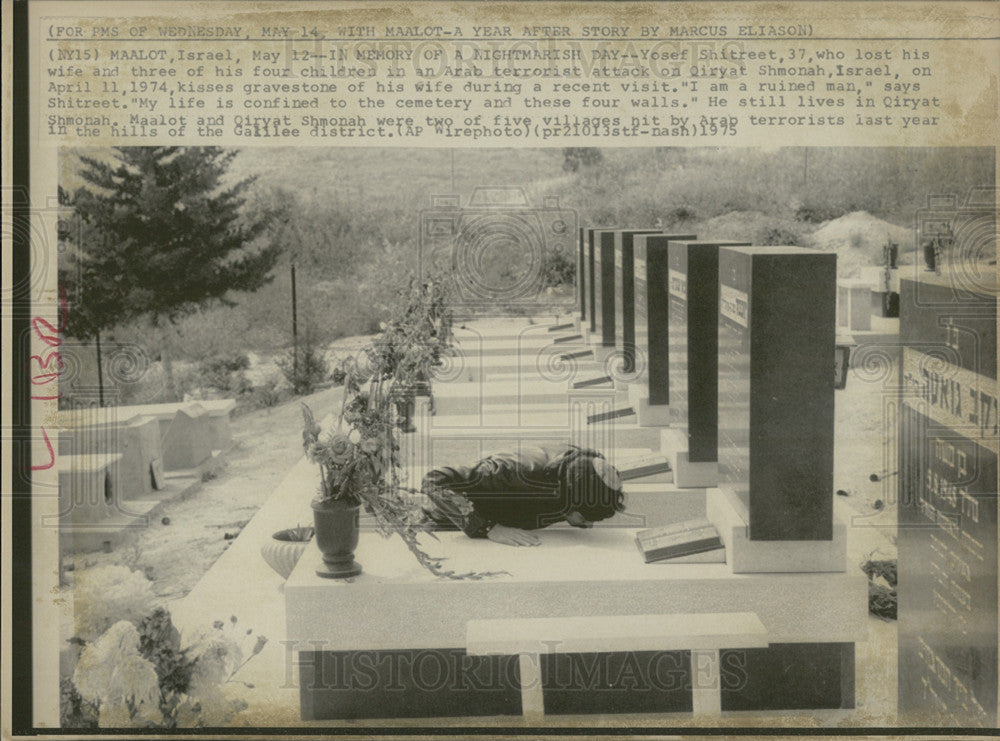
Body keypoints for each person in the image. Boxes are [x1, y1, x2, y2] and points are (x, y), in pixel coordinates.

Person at [421, 444, 625, 546]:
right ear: (571, 501)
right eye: (584, 518)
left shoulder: (578, 471)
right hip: (442, 524)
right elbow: (435, 480)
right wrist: (487, 527)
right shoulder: (510, 473)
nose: (588, 526)